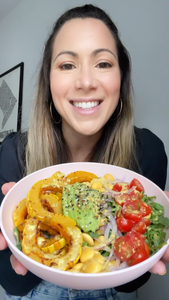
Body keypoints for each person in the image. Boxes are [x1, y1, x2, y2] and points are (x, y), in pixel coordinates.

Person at [0, 4, 168, 300]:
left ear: (122, 79)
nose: (86, 81)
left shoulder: (149, 152)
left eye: (103, 63)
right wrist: (18, 252)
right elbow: (13, 284)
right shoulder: (12, 153)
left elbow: (127, 284)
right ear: (49, 82)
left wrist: (148, 244)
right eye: (67, 65)